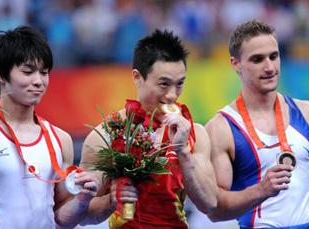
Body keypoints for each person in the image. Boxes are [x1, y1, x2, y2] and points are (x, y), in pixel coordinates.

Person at [80, 29, 217, 228]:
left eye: (179, 84)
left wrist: (183, 152)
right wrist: (110, 201)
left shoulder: (194, 134)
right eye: (164, 84)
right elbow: (83, 216)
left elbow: (210, 204)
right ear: (137, 77)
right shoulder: (105, 135)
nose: (172, 95)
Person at [205, 19, 309, 228]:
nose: (269, 67)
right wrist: (261, 190)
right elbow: (215, 209)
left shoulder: (307, 112)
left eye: (273, 56)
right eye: (257, 59)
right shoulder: (222, 128)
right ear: (235, 64)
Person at [0, 26, 100, 229]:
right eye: (27, 71)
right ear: (0, 74)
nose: (38, 81)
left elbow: (61, 218)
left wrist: (83, 199)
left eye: (44, 73)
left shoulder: (61, 140)